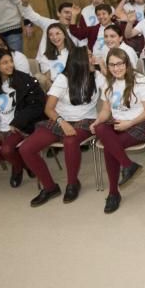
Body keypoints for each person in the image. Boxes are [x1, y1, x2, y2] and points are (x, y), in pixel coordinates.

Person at [21, 48, 103, 207]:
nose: (93, 58)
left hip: (85, 120)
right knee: (26, 148)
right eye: (90, 56)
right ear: (79, 60)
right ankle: (50, 187)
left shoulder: (97, 76)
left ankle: (72, 183)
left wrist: (103, 65)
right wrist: (62, 122)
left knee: (70, 141)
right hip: (59, 120)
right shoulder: (63, 79)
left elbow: (112, 87)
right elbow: (48, 108)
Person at [92, 48, 145, 214]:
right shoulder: (108, 82)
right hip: (117, 122)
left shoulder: (142, 80)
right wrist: (97, 121)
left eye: (120, 64)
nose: (116, 68)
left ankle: (113, 193)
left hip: (141, 123)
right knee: (100, 128)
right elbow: (106, 110)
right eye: (112, 65)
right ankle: (128, 165)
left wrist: (129, 123)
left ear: (127, 64)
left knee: (110, 147)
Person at [0, 48, 47, 188]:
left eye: (10, 61)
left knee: (7, 150)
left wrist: (18, 121)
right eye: (4, 63)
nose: (10, 65)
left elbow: (37, 105)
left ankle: (16, 169)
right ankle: (23, 164)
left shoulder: (24, 80)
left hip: (20, 125)